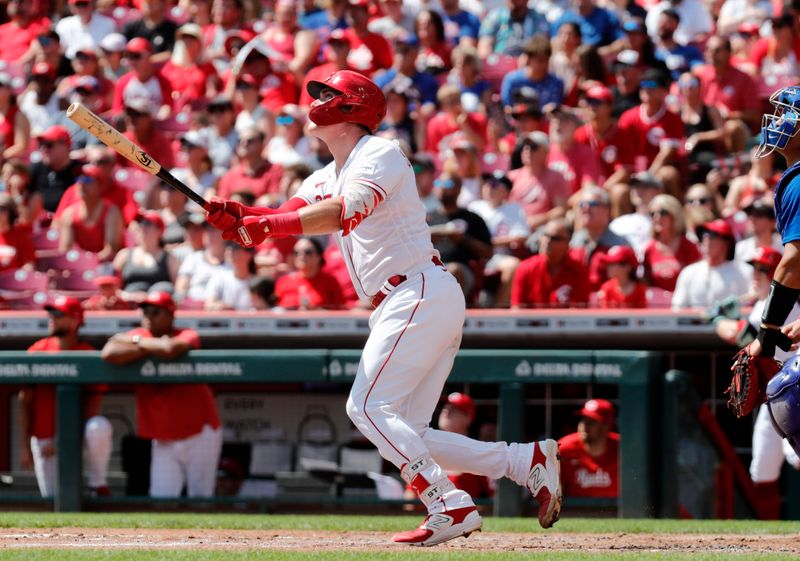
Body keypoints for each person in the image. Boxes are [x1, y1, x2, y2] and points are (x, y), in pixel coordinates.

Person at [204, 70, 562, 545]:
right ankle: (524, 461)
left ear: (353, 107)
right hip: (411, 298)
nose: (319, 101)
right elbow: (280, 214)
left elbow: (339, 213)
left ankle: (447, 502)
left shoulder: (381, 152)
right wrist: (239, 217)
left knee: (367, 407)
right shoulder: (326, 174)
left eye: (329, 94)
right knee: (406, 429)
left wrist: (266, 227)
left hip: (416, 291)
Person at [100, 291, 222, 498]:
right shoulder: (141, 334)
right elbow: (109, 352)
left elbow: (169, 348)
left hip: (200, 432)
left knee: (201, 500)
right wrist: (147, 344)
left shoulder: (186, 333)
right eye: (145, 311)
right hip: (163, 437)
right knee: (161, 499)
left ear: (171, 314)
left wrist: (136, 343)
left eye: (155, 311)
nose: (148, 315)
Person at [710, 245, 800, 519]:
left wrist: (717, 319)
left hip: (792, 390)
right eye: (755, 268)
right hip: (774, 393)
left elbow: (742, 336)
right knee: (762, 469)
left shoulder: (783, 304)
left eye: (764, 269)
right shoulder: (762, 304)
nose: (756, 274)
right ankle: (771, 539)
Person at [18, 296, 113, 497]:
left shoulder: (87, 353)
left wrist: (65, 438)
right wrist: (24, 445)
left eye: (59, 314)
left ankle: (98, 484)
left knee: (99, 426)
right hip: (44, 439)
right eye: (51, 314)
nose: (52, 318)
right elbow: (24, 403)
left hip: (77, 436)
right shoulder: (37, 351)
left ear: (75, 320)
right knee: (53, 499)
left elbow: (92, 407)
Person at [403, 392, 494, 505]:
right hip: (426, 514)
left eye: (454, 409)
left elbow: (494, 499)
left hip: (461, 515)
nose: (446, 411)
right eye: (445, 407)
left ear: (468, 417)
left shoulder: (477, 450)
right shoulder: (425, 447)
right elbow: (409, 497)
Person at [671, 219, 751, 309]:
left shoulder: (744, 272)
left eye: (713, 235)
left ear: (727, 243)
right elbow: (677, 309)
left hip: (730, 322)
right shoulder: (689, 272)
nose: (706, 238)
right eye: (704, 234)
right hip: (694, 322)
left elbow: (748, 309)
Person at [511, 218, 590, 308]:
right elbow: (517, 309)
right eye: (545, 235)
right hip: (534, 321)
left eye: (555, 238)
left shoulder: (578, 271)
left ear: (568, 244)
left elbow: (580, 312)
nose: (547, 241)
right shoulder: (525, 268)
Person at [558, 399, 620, 499]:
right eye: (583, 419)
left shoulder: (622, 448)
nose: (584, 425)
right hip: (575, 512)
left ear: (607, 425)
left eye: (592, 421)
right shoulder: (564, 449)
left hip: (617, 512)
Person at [274, 237, 345, 310]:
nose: (301, 256)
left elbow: (340, 311)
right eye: (296, 252)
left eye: (307, 252)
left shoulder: (330, 282)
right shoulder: (283, 281)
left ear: (319, 256)